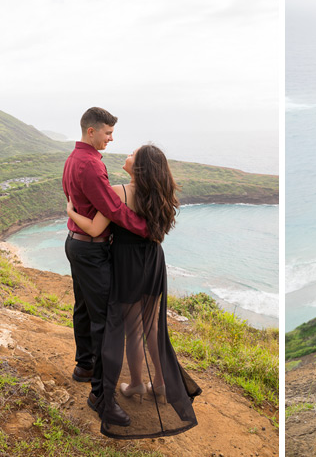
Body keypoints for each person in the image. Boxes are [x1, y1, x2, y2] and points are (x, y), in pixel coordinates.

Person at [68, 143, 201, 438]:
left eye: (132, 154)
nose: (126, 155)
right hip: (153, 261)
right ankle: (163, 384)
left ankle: (137, 383)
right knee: (152, 326)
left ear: (138, 167)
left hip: (127, 264)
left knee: (130, 328)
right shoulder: (161, 195)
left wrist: (70, 211)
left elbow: (92, 229)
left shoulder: (119, 193)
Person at [63, 107, 149, 427]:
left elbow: (76, 201)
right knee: (107, 324)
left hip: (76, 243)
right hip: (91, 249)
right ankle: (101, 397)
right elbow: (112, 208)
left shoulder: (74, 159)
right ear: (92, 131)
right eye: (108, 133)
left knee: (84, 309)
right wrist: (145, 229)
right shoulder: (90, 165)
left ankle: (84, 366)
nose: (111, 139)